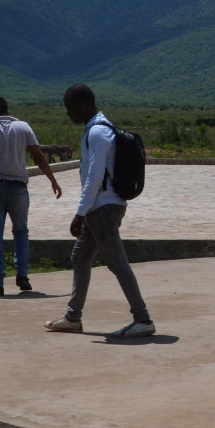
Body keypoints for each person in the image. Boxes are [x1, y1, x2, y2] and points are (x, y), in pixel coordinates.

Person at [44, 83, 155, 337]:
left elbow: (94, 178)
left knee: (118, 263)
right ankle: (73, 317)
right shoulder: (99, 129)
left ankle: (143, 319)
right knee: (80, 257)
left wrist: (79, 213)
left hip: (103, 210)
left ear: (82, 106)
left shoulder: (97, 133)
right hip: (102, 207)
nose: (68, 114)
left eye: (70, 109)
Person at [0, 96, 63, 296]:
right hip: (18, 188)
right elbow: (38, 156)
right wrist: (53, 181)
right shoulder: (24, 128)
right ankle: (22, 275)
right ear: (7, 110)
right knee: (21, 231)